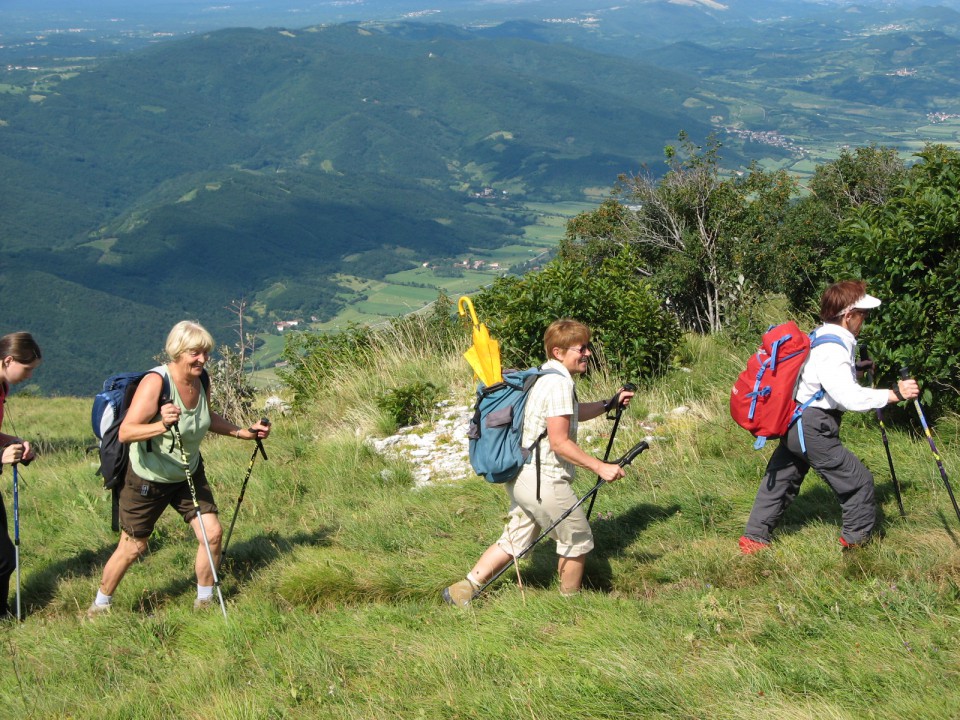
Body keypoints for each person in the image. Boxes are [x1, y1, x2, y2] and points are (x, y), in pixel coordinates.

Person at [444, 319, 634, 606]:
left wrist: (608, 404)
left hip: (522, 476)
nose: (588, 354)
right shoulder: (558, 384)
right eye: (581, 348)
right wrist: (600, 466)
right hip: (544, 480)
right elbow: (559, 442)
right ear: (558, 352)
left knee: (515, 539)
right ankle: (569, 607)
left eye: (588, 347)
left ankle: (464, 590)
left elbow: (570, 412)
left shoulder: (543, 377)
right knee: (577, 539)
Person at [86, 321, 270, 616]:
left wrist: (243, 433)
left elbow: (207, 417)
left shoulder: (202, 380)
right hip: (148, 478)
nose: (203, 359)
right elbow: (127, 432)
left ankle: (205, 601)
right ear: (177, 352)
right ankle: (100, 604)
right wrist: (161, 424)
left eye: (206, 353)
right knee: (134, 546)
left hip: (187, 472)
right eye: (195, 353)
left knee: (212, 534)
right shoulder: (156, 383)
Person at [739, 280, 920, 553]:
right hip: (812, 427)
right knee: (858, 482)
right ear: (848, 316)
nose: (865, 320)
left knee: (781, 481)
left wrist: (855, 369)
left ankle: (752, 540)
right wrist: (895, 394)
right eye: (863, 315)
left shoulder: (819, 335)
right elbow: (848, 398)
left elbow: (820, 380)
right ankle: (856, 547)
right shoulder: (834, 349)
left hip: (794, 422)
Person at [0, 332, 42, 620]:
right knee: (3, 558)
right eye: (27, 369)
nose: (29, 375)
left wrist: (11, 440)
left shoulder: (2, 388)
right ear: (8, 360)